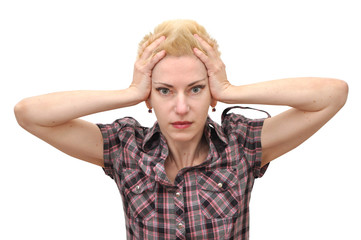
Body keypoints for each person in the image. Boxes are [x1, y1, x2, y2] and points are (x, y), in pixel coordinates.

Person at [14, 19, 348, 239]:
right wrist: (129, 93)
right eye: (164, 90)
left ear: (210, 93)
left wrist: (230, 89)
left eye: (195, 88)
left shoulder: (242, 144)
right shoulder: (125, 149)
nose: (181, 107)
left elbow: (333, 95)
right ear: (149, 98)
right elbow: (30, 114)